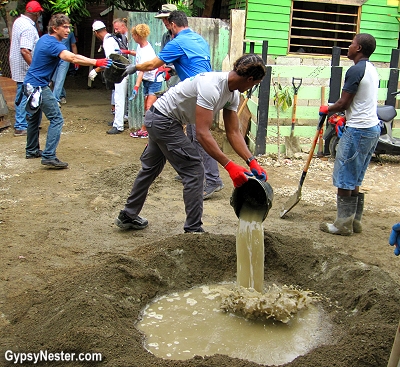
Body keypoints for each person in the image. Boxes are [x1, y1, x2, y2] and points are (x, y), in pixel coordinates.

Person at [114, 54, 268, 233]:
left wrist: (251, 160)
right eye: (254, 85)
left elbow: (233, 132)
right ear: (249, 79)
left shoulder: (232, 95)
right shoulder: (212, 86)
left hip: (159, 119)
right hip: (163, 121)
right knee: (194, 169)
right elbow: (202, 134)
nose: (252, 88)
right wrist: (229, 165)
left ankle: (128, 215)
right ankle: (194, 229)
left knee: (150, 169)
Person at [123, 10, 224, 199]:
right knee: (193, 137)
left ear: (172, 24)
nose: (165, 26)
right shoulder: (198, 39)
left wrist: (134, 67)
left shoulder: (177, 42)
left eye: (165, 23)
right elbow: (194, 63)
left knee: (201, 138)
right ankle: (193, 171)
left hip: (198, 95)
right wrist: (172, 69)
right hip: (207, 89)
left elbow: (152, 64)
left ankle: (213, 180)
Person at [24, 13, 112, 167]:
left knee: (34, 118)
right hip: (38, 86)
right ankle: (49, 156)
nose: (68, 30)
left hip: (30, 84)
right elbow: (72, 58)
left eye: (69, 27)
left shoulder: (44, 38)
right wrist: (97, 61)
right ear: (54, 28)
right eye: (64, 27)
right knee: (56, 119)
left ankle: (32, 150)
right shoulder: (54, 44)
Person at [319, 33, 381, 236]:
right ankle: (354, 222)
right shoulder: (371, 69)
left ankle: (342, 225)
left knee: (345, 174)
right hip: (371, 128)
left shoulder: (355, 70)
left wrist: (326, 109)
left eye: (352, 43)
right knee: (355, 177)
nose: (349, 46)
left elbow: (343, 103)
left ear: (359, 49)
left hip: (358, 130)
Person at [9, 0, 42, 137]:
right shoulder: (28, 27)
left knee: (24, 94)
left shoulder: (18, 21)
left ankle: (27, 121)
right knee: (25, 95)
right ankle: (21, 125)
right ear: (37, 13)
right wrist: (34, 68)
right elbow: (25, 50)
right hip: (25, 67)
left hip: (18, 64)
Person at [90, 20, 128, 134]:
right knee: (119, 97)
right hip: (123, 69)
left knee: (119, 97)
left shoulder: (108, 41)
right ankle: (119, 119)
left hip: (120, 71)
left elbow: (110, 61)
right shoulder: (112, 38)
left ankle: (119, 125)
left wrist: (96, 70)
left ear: (96, 33)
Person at [128, 24, 162, 138]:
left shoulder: (147, 50)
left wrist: (136, 87)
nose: (132, 37)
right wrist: (127, 52)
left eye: (133, 35)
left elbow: (142, 69)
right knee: (146, 106)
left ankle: (145, 130)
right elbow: (138, 55)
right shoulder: (141, 46)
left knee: (149, 107)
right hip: (147, 80)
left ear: (138, 35)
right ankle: (148, 129)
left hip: (154, 80)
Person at [154, 3, 180, 88]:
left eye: (167, 18)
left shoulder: (183, 37)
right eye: (163, 19)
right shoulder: (166, 37)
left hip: (184, 81)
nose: (165, 21)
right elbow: (162, 58)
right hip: (171, 81)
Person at [51, 28, 78, 105]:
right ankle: (62, 95)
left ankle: (55, 100)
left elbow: (73, 45)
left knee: (60, 79)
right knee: (54, 79)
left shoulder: (70, 33)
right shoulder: (53, 32)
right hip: (54, 57)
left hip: (65, 59)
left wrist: (76, 59)